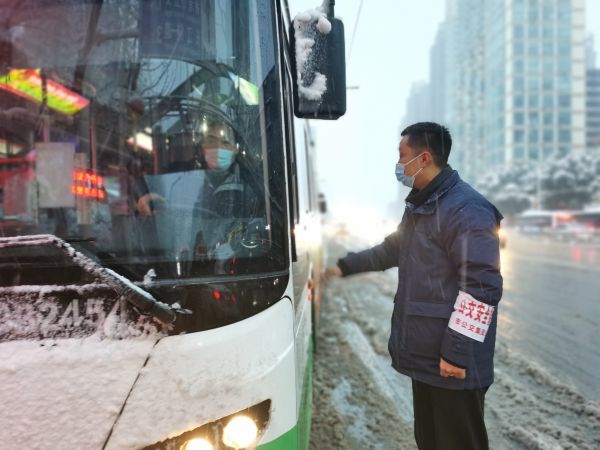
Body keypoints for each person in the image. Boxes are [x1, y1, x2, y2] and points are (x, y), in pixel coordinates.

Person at [324, 122, 503, 450]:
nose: (398, 164)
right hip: (429, 359)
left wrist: (457, 354)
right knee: (431, 442)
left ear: (423, 158)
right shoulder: (423, 206)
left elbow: (482, 287)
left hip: (453, 365)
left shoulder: (466, 209)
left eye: (401, 155)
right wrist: (342, 267)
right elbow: (390, 250)